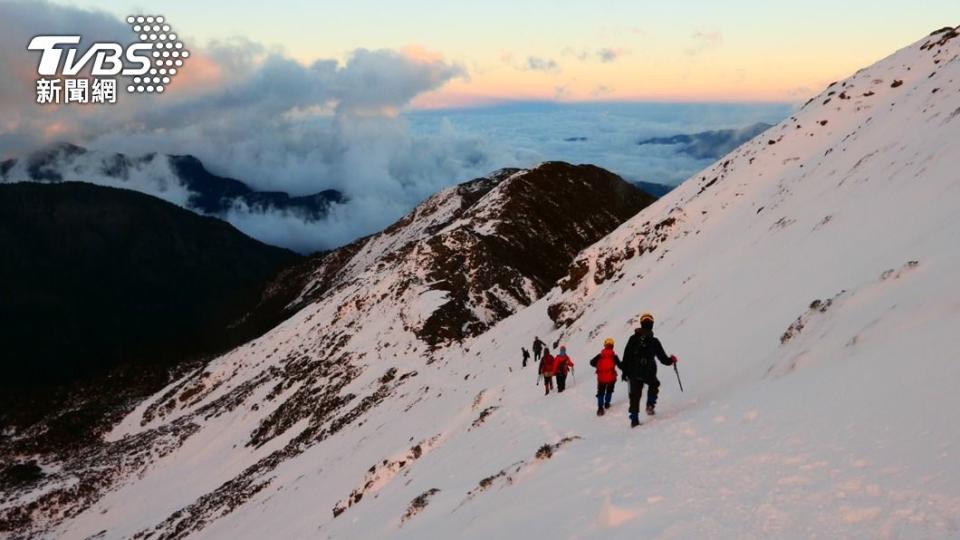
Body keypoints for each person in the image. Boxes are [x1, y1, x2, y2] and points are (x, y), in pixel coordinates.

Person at [620, 313, 677, 427]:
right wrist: (672, 360)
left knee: (635, 396)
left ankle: (634, 420)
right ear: (652, 324)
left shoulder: (633, 339)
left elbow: (626, 356)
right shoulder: (654, 341)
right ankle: (650, 404)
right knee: (654, 384)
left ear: (641, 324)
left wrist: (624, 372)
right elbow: (663, 359)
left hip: (633, 371)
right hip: (649, 371)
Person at [589, 338, 621, 416]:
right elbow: (620, 365)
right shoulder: (614, 356)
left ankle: (600, 408)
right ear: (612, 346)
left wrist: (598, 366)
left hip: (601, 377)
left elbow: (591, 362)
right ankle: (607, 403)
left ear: (605, 345)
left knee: (601, 392)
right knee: (609, 391)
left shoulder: (600, 355)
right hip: (611, 377)